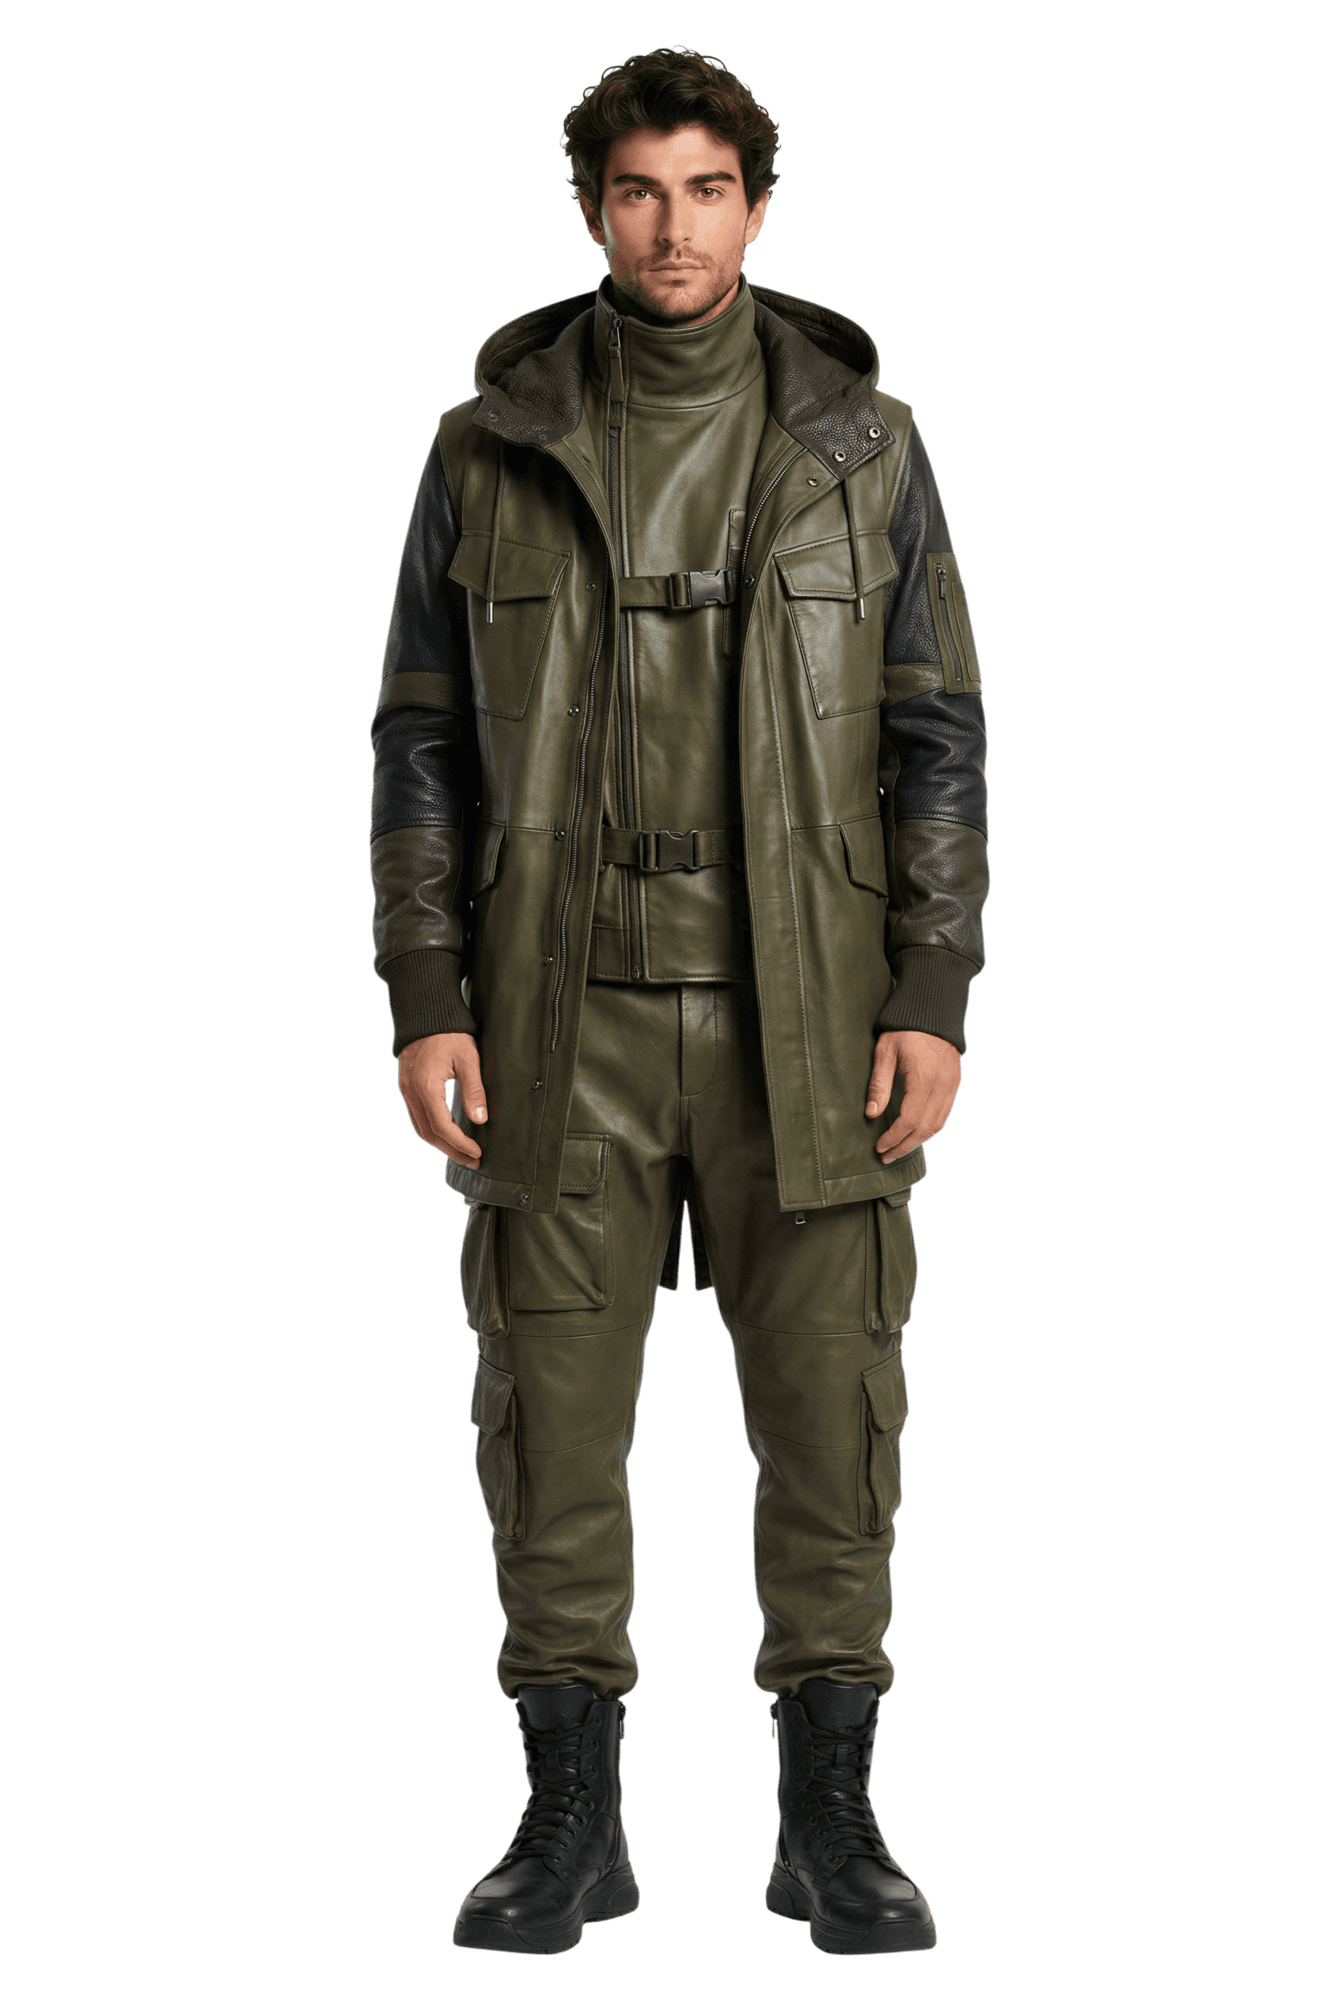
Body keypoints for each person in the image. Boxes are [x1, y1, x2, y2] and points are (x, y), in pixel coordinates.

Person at [369, 45, 988, 1958]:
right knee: (548, 1425)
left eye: (706, 188)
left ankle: (830, 1826)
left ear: (758, 204)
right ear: (588, 207)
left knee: (834, 1417)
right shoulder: (485, 447)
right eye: (636, 189)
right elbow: (420, 742)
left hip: (815, 1011)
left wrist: (932, 988)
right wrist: (424, 988)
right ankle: (569, 1829)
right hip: (554, 1015)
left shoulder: (865, 446)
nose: (672, 226)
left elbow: (938, 737)